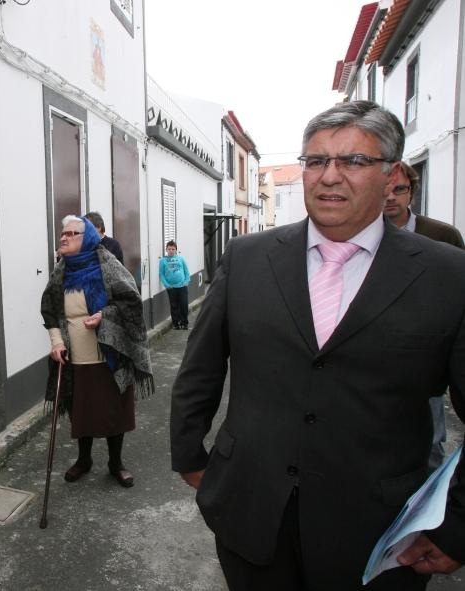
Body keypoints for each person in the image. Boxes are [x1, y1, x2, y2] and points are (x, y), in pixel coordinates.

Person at [170, 101, 465, 590]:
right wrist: (190, 457)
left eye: (353, 161)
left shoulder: (447, 275)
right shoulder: (247, 257)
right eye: (315, 161)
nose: (330, 177)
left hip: (381, 535)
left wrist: (457, 526)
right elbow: (200, 367)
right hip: (251, 515)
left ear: (392, 175)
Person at [40, 215, 154, 488]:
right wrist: (56, 340)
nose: (63, 238)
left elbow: (131, 301)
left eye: (71, 234)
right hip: (77, 357)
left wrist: (104, 315)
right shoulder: (62, 271)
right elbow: (50, 310)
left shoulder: (107, 265)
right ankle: (84, 460)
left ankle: (116, 463)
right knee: (83, 411)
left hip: (109, 354)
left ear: (87, 238)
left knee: (115, 410)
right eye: (62, 234)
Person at [384, 162, 464, 469]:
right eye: (385, 189)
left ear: (412, 193)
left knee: (429, 441)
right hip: (375, 354)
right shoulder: (360, 235)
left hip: (426, 356)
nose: (391, 197)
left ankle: (427, 509)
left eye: (399, 189)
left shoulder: (442, 236)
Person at [159, 240, 190, 330]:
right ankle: (176, 324)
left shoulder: (181, 259)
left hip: (182, 286)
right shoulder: (163, 261)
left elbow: (186, 271)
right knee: (174, 306)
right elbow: (161, 274)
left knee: (184, 305)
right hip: (171, 287)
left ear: (176, 250)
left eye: (173, 249)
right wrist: (167, 285)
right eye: (169, 249)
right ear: (166, 250)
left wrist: (186, 282)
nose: (171, 251)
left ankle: (184, 323)